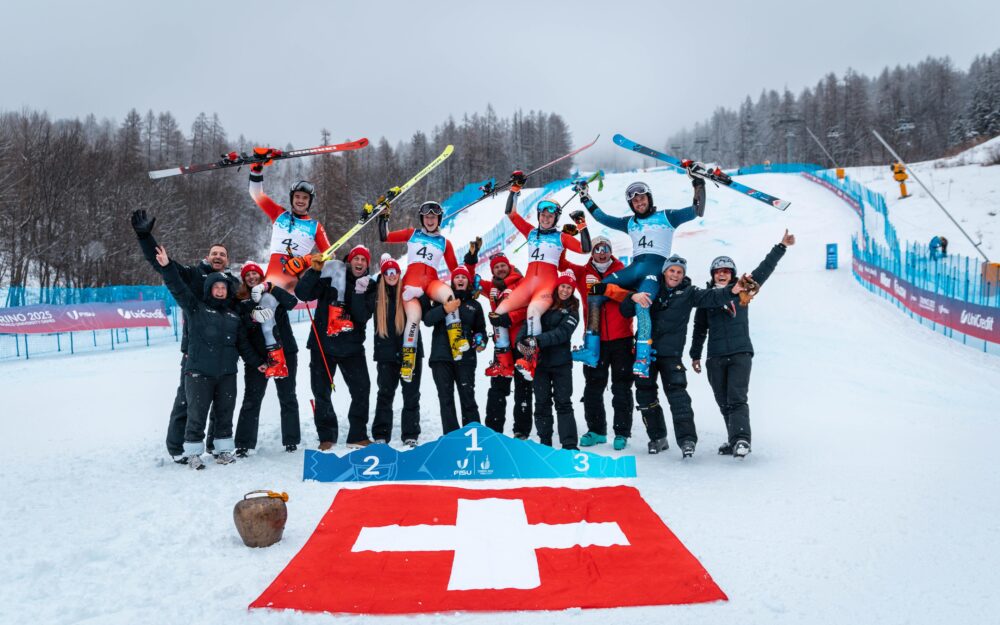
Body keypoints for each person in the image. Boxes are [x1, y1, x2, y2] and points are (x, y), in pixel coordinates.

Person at [130, 209, 239, 462]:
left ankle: (217, 445)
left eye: (223, 255)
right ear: (207, 257)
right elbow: (163, 264)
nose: (218, 257)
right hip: (195, 353)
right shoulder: (193, 275)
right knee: (187, 402)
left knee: (222, 403)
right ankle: (178, 448)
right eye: (214, 253)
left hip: (223, 356)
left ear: (227, 260)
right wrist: (145, 237)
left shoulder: (232, 284)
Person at [576, 177, 705, 378]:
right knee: (595, 291)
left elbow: (697, 209)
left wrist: (698, 184)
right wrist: (585, 197)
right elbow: (602, 217)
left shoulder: (667, 216)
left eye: (642, 198)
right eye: (635, 201)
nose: (639, 203)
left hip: (653, 272)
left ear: (649, 198)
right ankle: (591, 350)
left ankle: (642, 358)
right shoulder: (630, 222)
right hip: (634, 268)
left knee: (642, 303)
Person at [620, 255, 745, 456]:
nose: (675, 275)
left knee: (679, 399)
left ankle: (687, 440)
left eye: (679, 272)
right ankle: (657, 437)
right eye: (672, 270)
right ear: (665, 272)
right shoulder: (651, 288)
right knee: (645, 397)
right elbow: (625, 311)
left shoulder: (689, 293)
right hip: (645, 355)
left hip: (671, 356)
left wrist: (732, 291)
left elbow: (712, 297)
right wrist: (632, 297)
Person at [154, 245, 264, 469]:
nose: (221, 290)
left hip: (226, 374)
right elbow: (177, 288)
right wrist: (166, 267)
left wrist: (259, 363)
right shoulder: (196, 309)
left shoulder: (233, 316)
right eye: (216, 287)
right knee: (196, 414)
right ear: (209, 289)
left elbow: (243, 346)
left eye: (224, 287)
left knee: (225, 413)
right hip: (199, 373)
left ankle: (223, 450)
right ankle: (193, 453)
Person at [689, 229, 796, 459]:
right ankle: (733, 440)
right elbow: (699, 329)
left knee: (736, 398)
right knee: (723, 400)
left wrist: (781, 246)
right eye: (718, 272)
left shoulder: (743, 290)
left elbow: (763, 270)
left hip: (740, 354)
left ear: (733, 275)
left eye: (726, 272)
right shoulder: (707, 298)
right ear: (713, 274)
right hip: (715, 357)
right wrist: (695, 355)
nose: (722, 275)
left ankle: (741, 440)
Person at [491, 171, 591, 381]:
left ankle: (530, 359)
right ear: (538, 217)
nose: (546, 218)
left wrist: (581, 225)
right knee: (497, 314)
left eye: (550, 216)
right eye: (543, 215)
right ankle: (504, 363)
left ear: (555, 217)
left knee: (533, 312)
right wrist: (515, 189)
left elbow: (584, 249)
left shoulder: (561, 237)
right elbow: (511, 213)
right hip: (528, 283)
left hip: (547, 285)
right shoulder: (531, 233)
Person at [378, 201, 470, 381]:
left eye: (433, 217)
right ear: (422, 218)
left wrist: (470, 264)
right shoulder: (413, 234)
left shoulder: (444, 242)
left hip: (431, 283)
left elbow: (456, 271)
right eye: (427, 217)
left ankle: (456, 340)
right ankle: (407, 363)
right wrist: (383, 217)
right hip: (411, 284)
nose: (430, 220)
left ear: (439, 219)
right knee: (413, 318)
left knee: (449, 296)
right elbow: (385, 237)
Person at [294, 246, 374, 449]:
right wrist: (315, 271)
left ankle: (357, 435)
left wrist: (358, 292)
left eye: (363, 260)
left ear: (367, 264)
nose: (359, 262)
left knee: (361, 389)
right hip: (323, 344)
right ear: (349, 261)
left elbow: (362, 316)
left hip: (352, 348)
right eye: (356, 258)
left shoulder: (369, 285)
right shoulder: (331, 276)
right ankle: (327, 437)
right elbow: (302, 294)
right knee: (321, 392)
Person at [561, 236, 635, 450]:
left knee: (621, 387)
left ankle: (621, 432)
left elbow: (633, 297)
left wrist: (609, 290)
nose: (601, 253)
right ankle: (596, 431)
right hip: (594, 340)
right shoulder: (583, 272)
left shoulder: (624, 270)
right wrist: (565, 239)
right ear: (591, 252)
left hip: (621, 338)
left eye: (605, 249)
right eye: (597, 249)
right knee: (593, 387)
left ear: (610, 251)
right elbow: (560, 264)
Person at [232, 261, 301, 456]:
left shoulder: (272, 292)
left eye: (255, 274)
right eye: (248, 275)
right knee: (252, 399)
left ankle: (291, 440)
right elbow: (242, 334)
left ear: (261, 277)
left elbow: (292, 303)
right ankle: (243, 444)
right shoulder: (242, 301)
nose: (252, 277)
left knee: (287, 396)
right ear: (244, 280)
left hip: (285, 352)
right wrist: (253, 317)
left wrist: (271, 288)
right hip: (259, 357)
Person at [247, 153, 331, 291]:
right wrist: (256, 170)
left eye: (305, 198)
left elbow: (330, 255)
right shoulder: (279, 214)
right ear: (292, 198)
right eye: (297, 196)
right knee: (264, 306)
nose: (300, 201)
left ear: (309, 202)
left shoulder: (315, 226)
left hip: (297, 282)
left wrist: (306, 260)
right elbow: (256, 194)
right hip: (273, 279)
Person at [516, 271, 581, 449]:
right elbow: (527, 323)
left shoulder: (574, 310)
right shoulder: (544, 304)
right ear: (557, 287)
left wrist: (537, 341)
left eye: (569, 287)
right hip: (541, 364)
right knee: (542, 403)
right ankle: (545, 444)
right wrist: (521, 342)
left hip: (561, 364)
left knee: (563, 403)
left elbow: (562, 333)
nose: (565, 290)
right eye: (563, 286)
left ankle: (569, 445)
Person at [422, 265, 488, 434]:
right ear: (452, 281)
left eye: (463, 277)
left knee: (467, 398)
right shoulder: (440, 300)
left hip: (465, 358)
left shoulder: (474, 305)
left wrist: (480, 340)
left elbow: (480, 330)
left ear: (468, 282)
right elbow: (428, 320)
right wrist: (445, 309)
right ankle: (452, 437)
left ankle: (474, 436)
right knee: (446, 399)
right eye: (457, 277)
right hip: (441, 357)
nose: (460, 280)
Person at [367, 253, 423, 447]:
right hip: (386, 354)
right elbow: (360, 310)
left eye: (395, 272)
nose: (392, 275)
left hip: (411, 352)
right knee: (385, 394)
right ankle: (381, 434)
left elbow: (426, 311)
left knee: (411, 394)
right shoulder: (376, 295)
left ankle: (410, 433)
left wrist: (421, 293)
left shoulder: (407, 292)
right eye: (387, 272)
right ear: (382, 275)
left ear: (399, 274)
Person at [480, 253, 533, 439]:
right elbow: (472, 280)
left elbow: (530, 308)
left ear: (509, 266)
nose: (500, 269)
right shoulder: (492, 287)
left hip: (521, 343)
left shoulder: (521, 283)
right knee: (498, 388)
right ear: (492, 270)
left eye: (503, 266)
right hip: (501, 347)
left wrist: (509, 318)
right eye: (496, 267)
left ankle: (522, 430)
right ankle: (493, 430)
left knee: (523, 388)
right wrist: (470, 261)